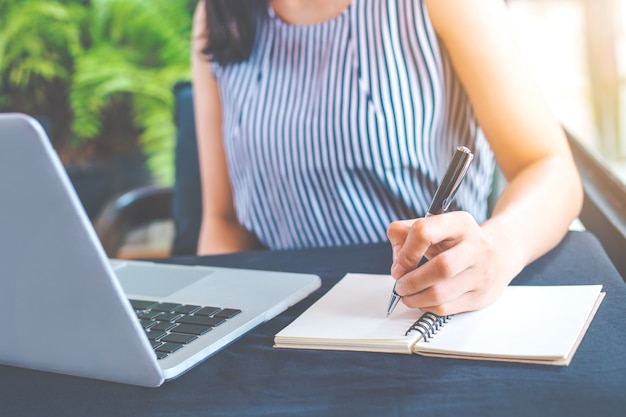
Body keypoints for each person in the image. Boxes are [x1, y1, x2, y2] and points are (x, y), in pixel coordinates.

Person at [191, 0, 583, 316]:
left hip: (423, 305)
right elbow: (223, 221)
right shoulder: (218, 13)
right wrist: (218, 318)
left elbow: (550, 167)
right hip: (280, 311)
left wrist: (497, 249)